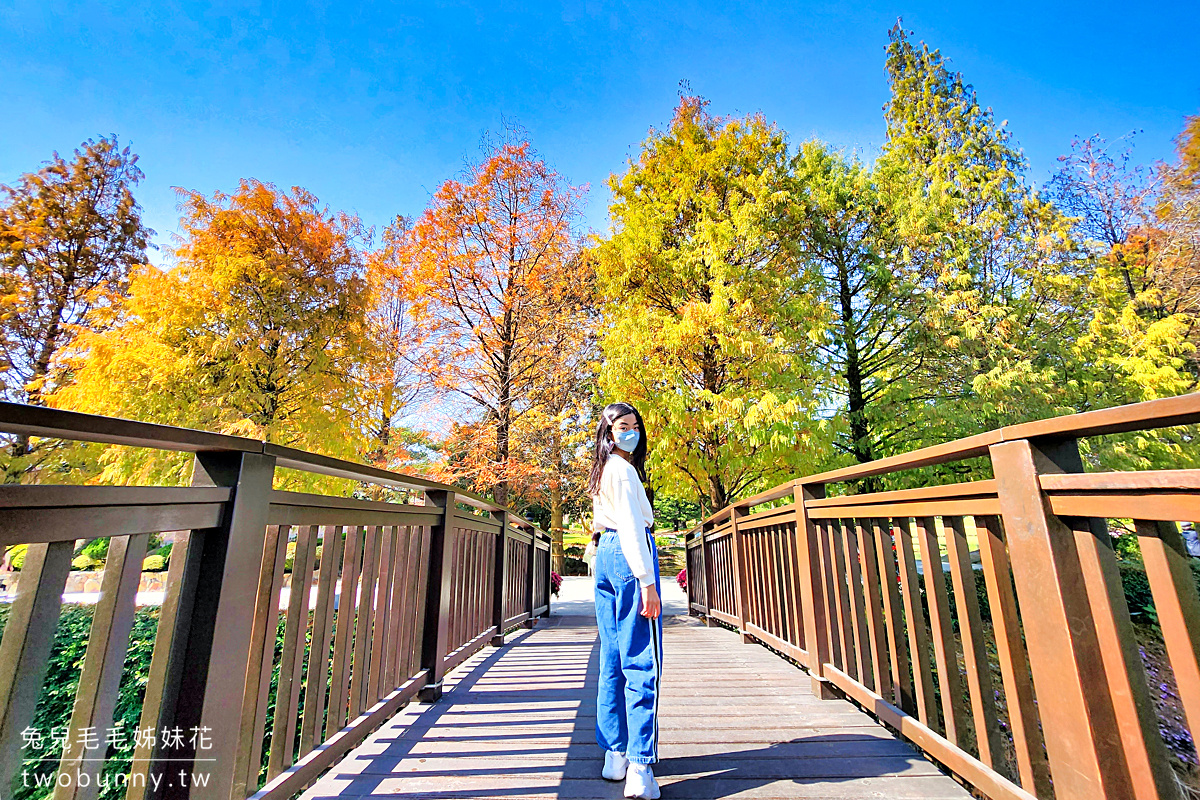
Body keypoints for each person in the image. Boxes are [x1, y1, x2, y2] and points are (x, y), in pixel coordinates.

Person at [588, 401, 662, 800]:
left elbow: (605, 524)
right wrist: (647, 582)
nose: (630, 431)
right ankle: (640, 766)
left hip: (606, 552)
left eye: (635, 424)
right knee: (641, 658)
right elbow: (633, 527)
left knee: (612, 656)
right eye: (622, 425)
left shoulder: (603, 470)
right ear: (608, 431)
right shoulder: (625, 470)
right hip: (630, 556)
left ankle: (614, 754)